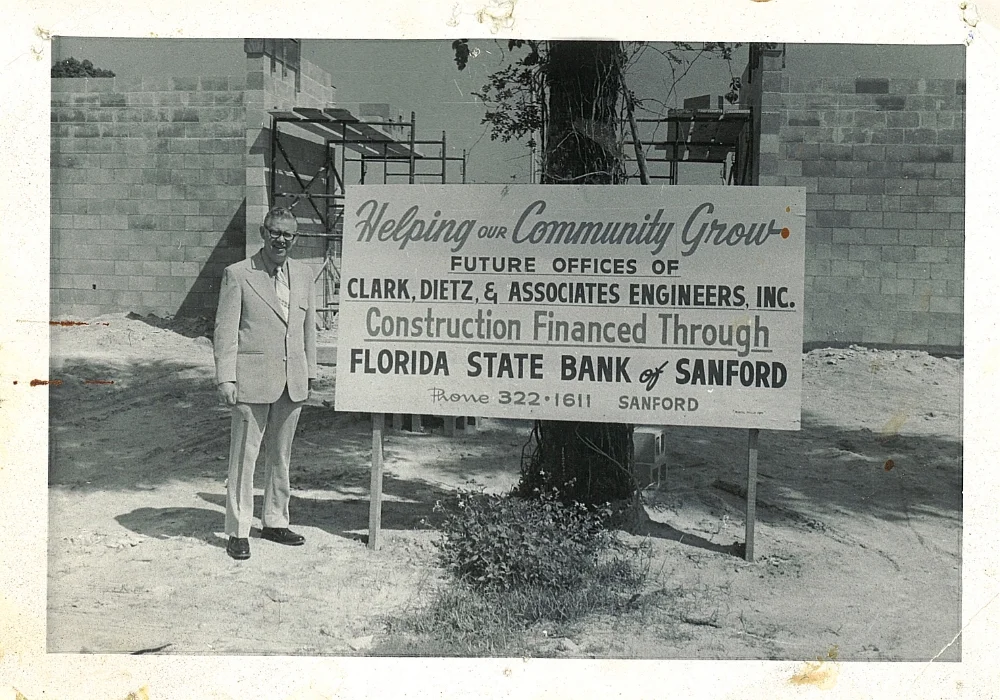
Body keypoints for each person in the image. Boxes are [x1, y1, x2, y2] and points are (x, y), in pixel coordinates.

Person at [213, 206, 317, 560]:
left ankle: (274, 520)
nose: (281, 239)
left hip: (293, 382)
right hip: (251, 380)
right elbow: (225, 332)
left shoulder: (304, 275)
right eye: (275, 232)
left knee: (281, 457)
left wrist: (310, 371)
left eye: (288, 234)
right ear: (263, 232)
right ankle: (238, 530)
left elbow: (308, 330)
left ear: (296, 238)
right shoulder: (238, 274)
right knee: (244, 457)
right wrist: (226, 377)